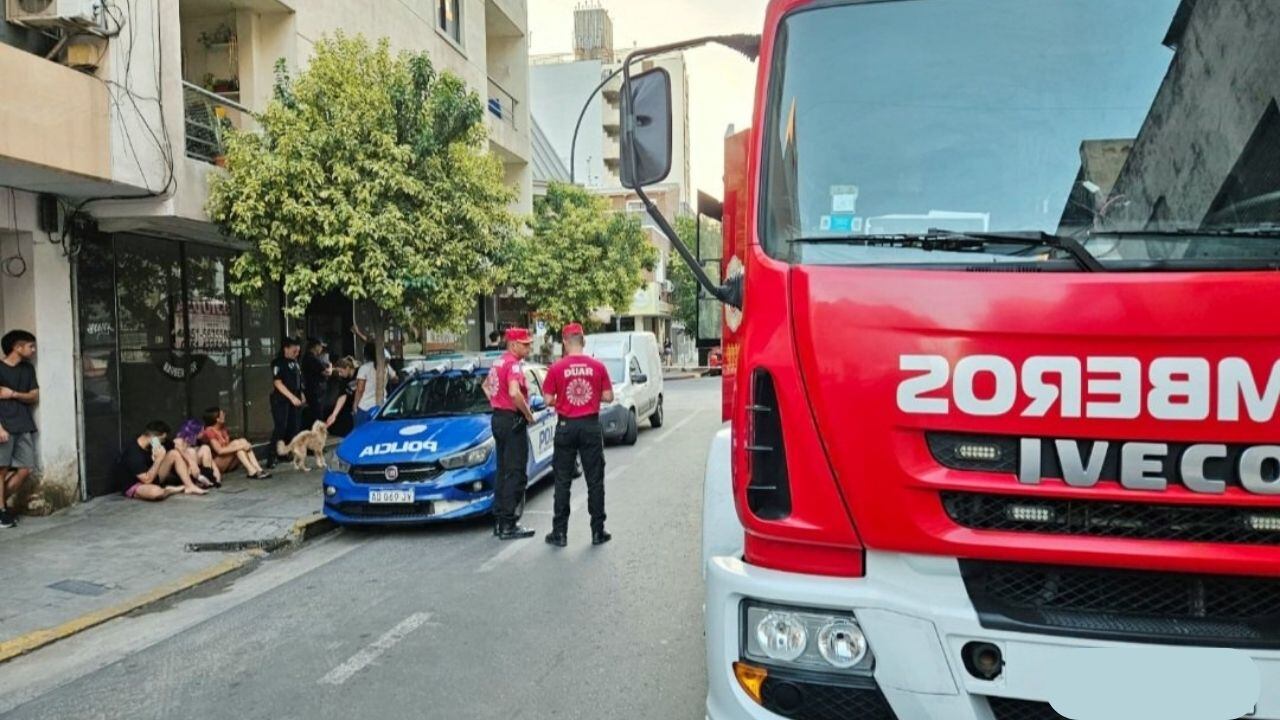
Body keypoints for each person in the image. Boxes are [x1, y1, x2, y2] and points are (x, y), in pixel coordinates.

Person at [541, 323, 614, 547]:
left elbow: (546, 400)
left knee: (562, 481)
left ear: (564, 342)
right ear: (584, 341)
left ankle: (560, 533)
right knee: (595, 480)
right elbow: (609, 396)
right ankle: (597, 531)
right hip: (590, 426)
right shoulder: (597, 366)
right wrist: (590, 400)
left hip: (566, 426)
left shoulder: (556, 368)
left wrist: (563, 401)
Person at [482, 327, 537, 540]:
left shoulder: (498, 362)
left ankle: (499, 521)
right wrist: (528, 414)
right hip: (513, 421)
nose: (528, 347)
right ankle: (509, 523)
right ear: (513, 344)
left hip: (499, 419)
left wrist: (498, 403)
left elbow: (486, 386)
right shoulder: (513, 365)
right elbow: (515, 392)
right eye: (525, 344)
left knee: (503, 471)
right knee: (516, 473)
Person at [0, 330, 39, 528]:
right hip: (3, 426)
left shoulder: (27, 369)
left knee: (25, 469)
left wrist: (13, 393)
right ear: (17, 347)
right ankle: (1, 512)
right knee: (1, 470)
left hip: (23, 424)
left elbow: (34, 396)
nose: (33, 350)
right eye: (30, 346)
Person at [115, 421, 206, 500]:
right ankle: (173, 489)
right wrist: (159, 459)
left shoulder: (153, 440)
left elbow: (176, 446)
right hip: (136, 483)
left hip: (153, 474)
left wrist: (191, 462)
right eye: (162, 440)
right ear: (154, 437)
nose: (163, 442)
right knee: (157, 493)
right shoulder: (133, 453)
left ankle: (189, 486)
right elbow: (147, 480)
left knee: (174, 453)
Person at [200, 407, 270, 478]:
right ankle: (251, 471)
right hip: (217, 464)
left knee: (242, 441)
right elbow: (219, 451)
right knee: (237, 444)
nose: (224, 415)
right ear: (217, 419)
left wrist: (242, 445)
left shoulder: (222, 428)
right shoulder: (209, 432)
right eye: (222, 414)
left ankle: (258, 469)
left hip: (228, 461)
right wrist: (241, 446)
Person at [268, 338, 305, 469]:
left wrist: (301, 394)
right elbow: (278, 383)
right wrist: (291, 397)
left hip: (294, 397)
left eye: (298, 352)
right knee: (280, 427)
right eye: (294, 351)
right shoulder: (278, 363)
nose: (296, 354)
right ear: (286, 348)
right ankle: (271, 456)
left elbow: (298, 381)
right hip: (281, 399)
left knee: (293, 427)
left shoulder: (295, 363)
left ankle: (284, 452)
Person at [353, 342, 397, 428]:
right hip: (382, 404)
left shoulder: (364, 368)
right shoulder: (385, 367)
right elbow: (395, 378)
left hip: (365, 406)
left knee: (362, 432)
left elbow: (360, 389)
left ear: (366, 355)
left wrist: (355, 405)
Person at [174, 419, 219, 489]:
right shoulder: (178, 441)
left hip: (196, 469)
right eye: (202, 431)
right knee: (191, 451)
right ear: (195, 432)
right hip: (182, 471)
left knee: (205, 448)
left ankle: (207, 477)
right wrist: (191, 462)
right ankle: (194, 482)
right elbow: (178, 451)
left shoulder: (196, 441)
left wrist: (217, 476)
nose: (204, 432)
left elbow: (212, 462)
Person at [301, 338, 332, 428]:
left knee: (315, 413)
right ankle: (318, 434)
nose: (321, 349)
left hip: (313, 390)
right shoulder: (311, 358)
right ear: (316, 347)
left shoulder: (309, 357)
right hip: (314, 391)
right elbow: (327, 372)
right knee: (317, 414)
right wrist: (330, 366)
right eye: (321, 347)